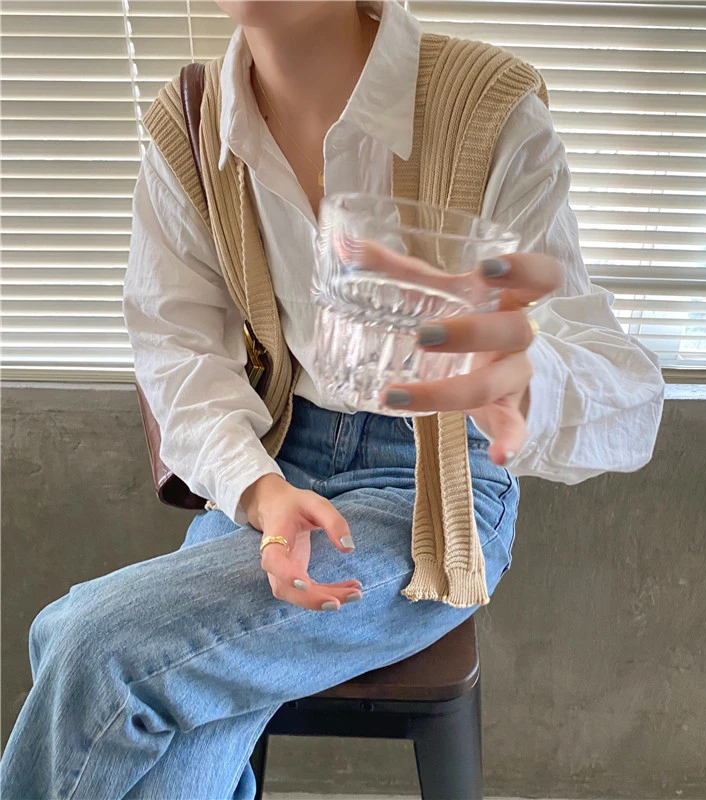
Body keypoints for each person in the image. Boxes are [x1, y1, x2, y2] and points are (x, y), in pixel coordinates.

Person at [0, 1, 664, 797]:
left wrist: (516, 368)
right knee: (132, 699)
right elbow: (180, 355)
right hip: (273, 465)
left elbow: (628, 397)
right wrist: (260, 491)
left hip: (432, 490)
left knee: (89, 646)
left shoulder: (485, 110)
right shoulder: (192, 129)